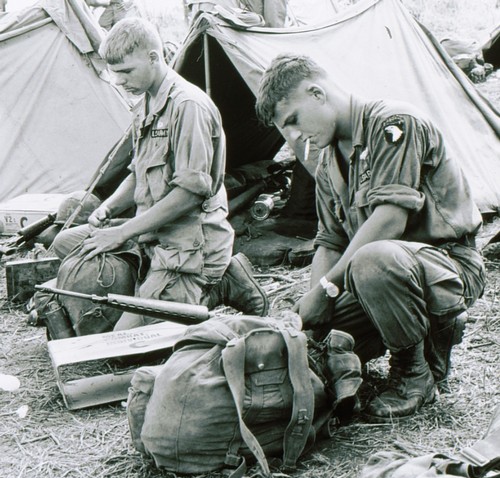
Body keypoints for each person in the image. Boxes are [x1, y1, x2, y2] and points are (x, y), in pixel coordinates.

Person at [255, 54, 486, 422]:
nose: (295, 135)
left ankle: (415, 372)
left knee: (373, 258)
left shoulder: (394, 124)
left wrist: (328, 289)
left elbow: (390, 220)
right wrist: (317, 310)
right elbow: (329, 242)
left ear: (317, 93)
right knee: (319, 343)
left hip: (447, 265)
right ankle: (412, 334)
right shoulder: (328, 162)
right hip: (379, 282)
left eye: (294, 120)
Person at [53, 17, 268, 331]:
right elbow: (136, 174)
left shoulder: (188, 106)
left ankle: (218, 284)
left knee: (123, 344)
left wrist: (121, 233)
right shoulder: (147, 101)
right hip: (152, 236)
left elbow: (190, 194)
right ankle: (145, 288)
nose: (120, 81)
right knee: (65, 243)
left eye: (126, 71)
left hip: (188, 246)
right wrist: (108, 208)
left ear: (153, 58)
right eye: (116, 73)